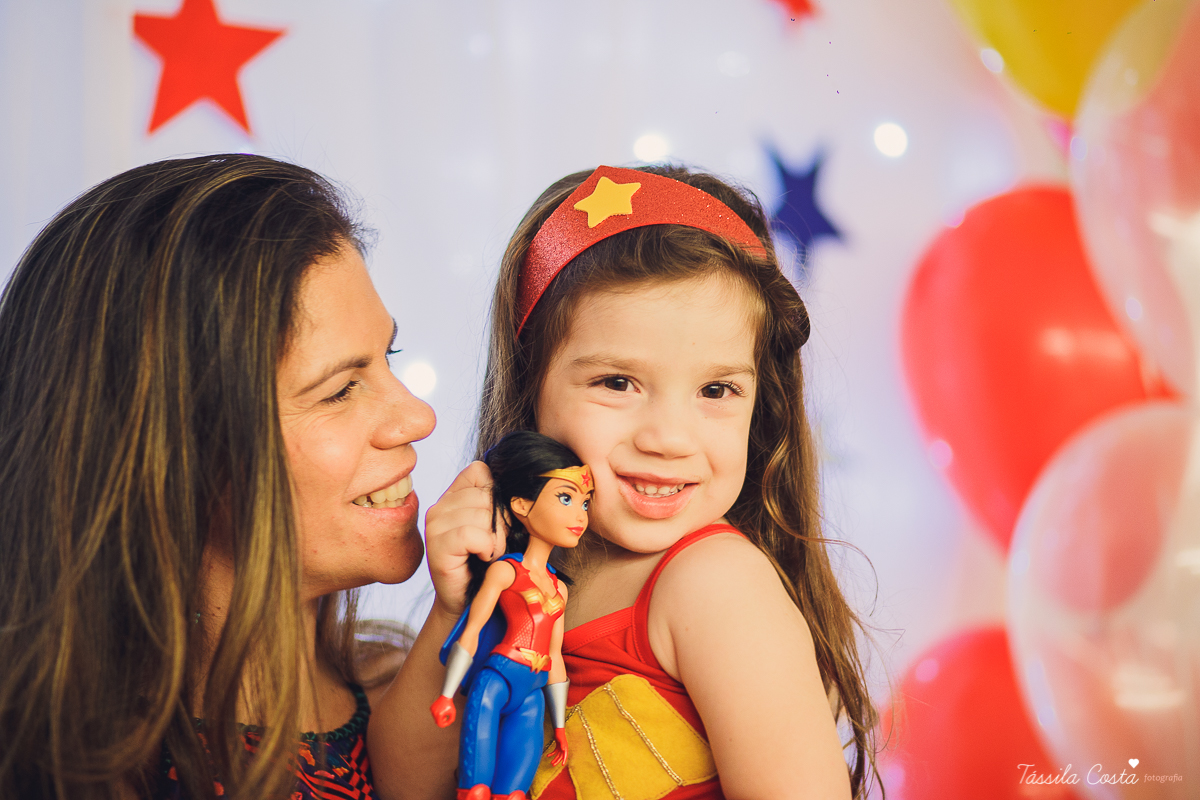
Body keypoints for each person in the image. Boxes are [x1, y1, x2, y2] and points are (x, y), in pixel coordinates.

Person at [376, 165, 884, 799]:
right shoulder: (526, 569)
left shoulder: (713, 584)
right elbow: (404, 787)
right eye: (617, 383)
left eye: (717, 389)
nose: (668, 438)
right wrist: (455, 607)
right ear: (533, 385)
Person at [0, 154, 480, 800]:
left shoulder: (430, 702)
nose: (417, 417)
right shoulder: (77, 778)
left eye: (387, 357)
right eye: (341, 390)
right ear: (177, 453)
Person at [430, 431, 592, 800]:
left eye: (584, 503)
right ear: (520, 504)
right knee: (475, 789)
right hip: (497, 680)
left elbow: (555, 658)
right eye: (565, 498)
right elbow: (472, 631)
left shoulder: (559, 588)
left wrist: (560, 725)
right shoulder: (505, 572)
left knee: (515, 793)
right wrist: (446, 693)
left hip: (532, 692)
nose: (579, 515)